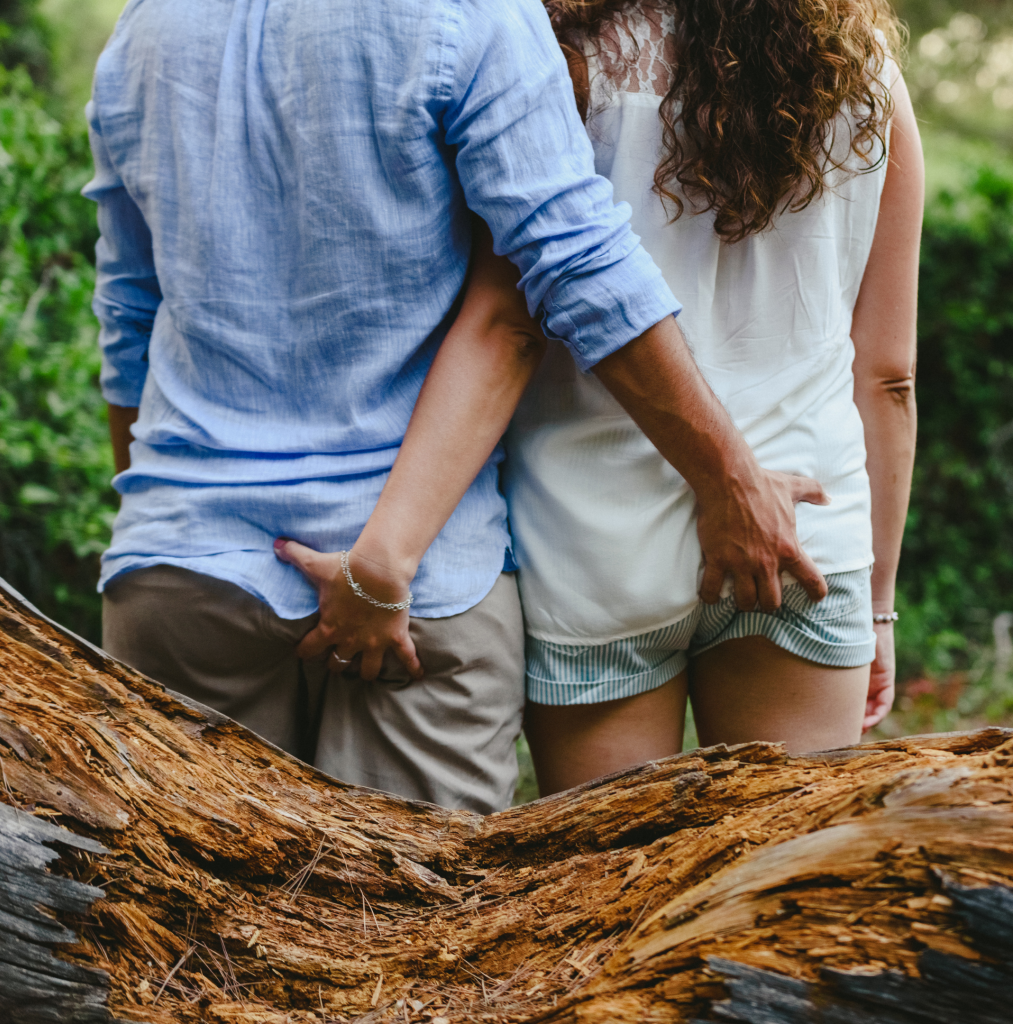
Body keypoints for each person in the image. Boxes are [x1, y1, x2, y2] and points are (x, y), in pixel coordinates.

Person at [86, 0, 825, 814]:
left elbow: (130, 313)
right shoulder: (472, 15)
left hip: (182, 572)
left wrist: (176, 520)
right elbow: (565, 272)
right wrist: (729, 478)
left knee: (182, 928)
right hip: (416, 589)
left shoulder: (143, 32)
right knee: (411, 933)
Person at [504, 0, 924, 793]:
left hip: (593, 543)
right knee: (784, 891)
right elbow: (888, 376)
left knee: (609, 895)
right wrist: (876, 605)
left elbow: (509, 322)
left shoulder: (570, 64)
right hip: (804, 535)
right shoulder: (867, 79)